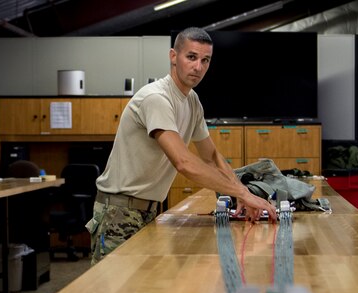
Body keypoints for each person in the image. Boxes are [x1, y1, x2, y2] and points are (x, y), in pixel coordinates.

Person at [88, 27, 278, 264]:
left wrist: (241, 191)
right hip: (118, 212)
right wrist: (241, 193)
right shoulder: (156, 98)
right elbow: (184, 162)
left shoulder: (192, 101)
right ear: (173, 56)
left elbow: (211, 156)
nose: (198, 67)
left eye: (205, 60)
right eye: (191, 57)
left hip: (149, 210)